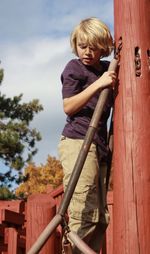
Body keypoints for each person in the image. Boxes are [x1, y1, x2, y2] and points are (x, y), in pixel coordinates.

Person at [58, 17, 116, 253]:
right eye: (83, 46)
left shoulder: (107, 68)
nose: (87, 52)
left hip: (99, 147)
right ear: (76, 44)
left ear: (103, 48)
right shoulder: (74, 68)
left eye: (93, 47)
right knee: (84, 211)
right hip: (77, 141)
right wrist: (99, 84)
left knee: (100, 218)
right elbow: (68, 106)